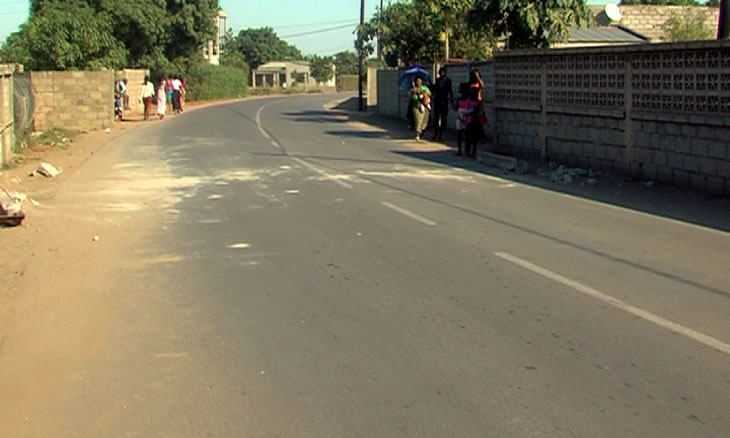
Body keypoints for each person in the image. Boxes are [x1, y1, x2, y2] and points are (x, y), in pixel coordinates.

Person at [431, 67, 453, 141]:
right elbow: (434, 89)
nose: (442, 74)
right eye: (440, 72)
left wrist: (452, 101)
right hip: (437, 101)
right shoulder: (437, 80)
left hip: (444, 101)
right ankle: (435, 134)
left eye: (443, 72)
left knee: (443, 120)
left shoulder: (448, 81)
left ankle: (441, 135)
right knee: (436, 119)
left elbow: (450, 91)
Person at [453, 82, 474, 156]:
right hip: (461, 118)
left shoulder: (469, 99)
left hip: (468, 118)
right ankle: (461, 150)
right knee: (460, 134)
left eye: (462, 88)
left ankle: (466, 150)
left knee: (467, 135)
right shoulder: (460, 99)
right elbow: (455, 108)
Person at [410, 77, 431, 141]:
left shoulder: (424, 88)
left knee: (425, 120)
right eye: (417, 81)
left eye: (420, 81)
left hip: (424, 105)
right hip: (416, 105)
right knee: (418, 120)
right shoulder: (413, 89)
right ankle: (417, 134)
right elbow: (411, 97)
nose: (418, 82)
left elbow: (429, 94)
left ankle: (422, 132)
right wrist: (415, 93)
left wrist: (423, 94)